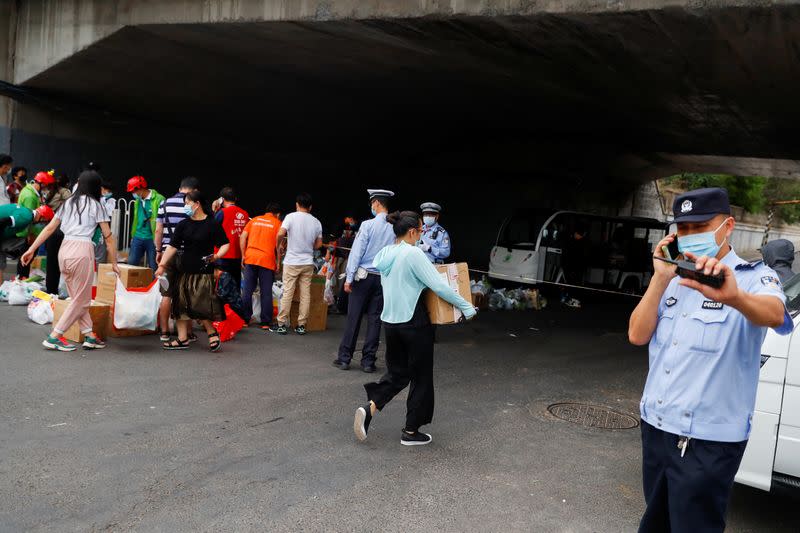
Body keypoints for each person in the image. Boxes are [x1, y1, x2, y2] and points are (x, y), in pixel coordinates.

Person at [628, 187, 792, 532]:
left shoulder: (751, 277)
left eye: (701, 226)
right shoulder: (673, 277)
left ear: (727, 226)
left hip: (707, 441)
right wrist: (659, 278)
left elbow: (775, 313)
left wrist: (735, 298)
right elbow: (637, 334)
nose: (690, 236)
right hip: (658, 427)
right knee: (655, 523)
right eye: (683, 229)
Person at [353, 211, 476, 446]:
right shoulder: (414, 254)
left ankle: (369, 408)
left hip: (390, 323)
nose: (421, 235)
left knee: (398, 373)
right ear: (412, 232)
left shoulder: (385, 254)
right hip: (414, 322)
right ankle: (411, 432)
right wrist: (466, 307)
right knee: (421, 376)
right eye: (420, 231)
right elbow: (439, 286)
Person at [20, 170, 120, 352]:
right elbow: (109, 238)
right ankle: (55, 336)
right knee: (82, 300)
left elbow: (50, 228)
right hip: (82, 250)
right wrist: (114, 263)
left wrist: (31, 249)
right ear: (96, 187)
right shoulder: (97, 205)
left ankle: (89, 335)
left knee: (78, 298)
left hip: (64, 250)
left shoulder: (68, 203)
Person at [155, 190, 229, 352]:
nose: (185, 206)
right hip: (184, 270)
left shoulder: (212, 224)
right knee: (180, 305)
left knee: (200, 304)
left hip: (203, 271)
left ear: (197, 204)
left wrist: (216, 256)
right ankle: (182, 339)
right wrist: (162, 265)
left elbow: (225, 244)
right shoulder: (183, 224)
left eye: (187, 203)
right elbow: (172, 246)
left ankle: (211, 332)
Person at [334, 189, 396, 372]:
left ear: (376, 203)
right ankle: (368, 362)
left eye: (371, 204)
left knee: (354, 317)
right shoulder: (395, 227)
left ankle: (345, 358)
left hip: (363, 277)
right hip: (382, 278)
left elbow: (356, 253)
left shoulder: (368, 225)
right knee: (375, 320)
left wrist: (349, 278)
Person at [269, 192, 322, 336]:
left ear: (297, 205)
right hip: (308, 262)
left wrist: (279, 245)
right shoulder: (316, 222)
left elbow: (280, 233)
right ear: (310, 207)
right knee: (305, 294)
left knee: (288, 292)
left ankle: (281, 324)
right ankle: (301, 325)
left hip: (292, 261)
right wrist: (308, 246)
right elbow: (319, 244)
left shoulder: (290, 217)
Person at [155, 176, 199, 342]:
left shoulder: (164, 203)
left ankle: (165, 331)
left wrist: (158, 250)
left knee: (166, 294)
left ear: (180, 188)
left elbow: (158, 230)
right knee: (186, 293)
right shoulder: (193, 205)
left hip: (167, 253)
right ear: (194, 190)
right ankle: (188, 332)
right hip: (187, 255)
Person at [240, 202, 282, 329]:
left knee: (247, 290)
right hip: (267, 260)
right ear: (278, 214)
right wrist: (278, 262)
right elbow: (279, 246)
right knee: (266, 292)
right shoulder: (277, 223)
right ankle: (265, 322)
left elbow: (243, 237)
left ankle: (245, 320)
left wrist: (243, 254)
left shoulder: (254, 220)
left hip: (251, 257)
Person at [16, 170, 56, 279]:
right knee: (26, 258)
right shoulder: (30, 196)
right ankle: (21, 279)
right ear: (42, 184)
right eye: (47, 186)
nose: (47, 189)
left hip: (28, 233)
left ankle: (21, 278)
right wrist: (31, 236)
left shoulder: (30, 191)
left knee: (25, 258)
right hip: (29, 234)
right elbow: (30, 218)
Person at [0, 204, 54, 282]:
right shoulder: (26, 217)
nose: (43, 224)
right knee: (29, 246)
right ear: (43, 217)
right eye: (45, 222)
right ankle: (21, 275)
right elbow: (3, 221)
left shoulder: (26, 211)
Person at [126, 175, 164, 272]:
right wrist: (133, 235)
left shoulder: (159, 199)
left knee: (154, 266)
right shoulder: (137, 201)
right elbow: (136, 219)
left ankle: (154, 287)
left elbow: (163, 221)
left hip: (153, 238)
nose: (133, 193)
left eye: (134, 191)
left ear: (141, 188)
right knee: (131, 265)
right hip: (138, 236)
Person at [213, 187, 249, 287]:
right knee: (235, 287)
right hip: (238, 256)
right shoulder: (245, 214)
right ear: (235, 199)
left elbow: (212, 229)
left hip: (222, 256)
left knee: (222, 288)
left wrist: (214, 211)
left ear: (222, 199)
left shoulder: (221, 213)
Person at [44, 173, 72, 294]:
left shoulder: (50, 192)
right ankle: (64, 290)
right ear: (66, 183)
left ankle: (51, 290)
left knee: (51, 261)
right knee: (63, 260)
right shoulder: (65, 192)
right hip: (60, 228)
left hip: (49, 228)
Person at [94, 179, 116, 264]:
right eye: (107, 190)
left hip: (102, 228)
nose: (108, 192)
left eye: (110, 191)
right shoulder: (95, 199)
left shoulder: (111, 201)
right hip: (94, 228)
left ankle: (99, 270)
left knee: (100, 253)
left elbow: (108, 213)